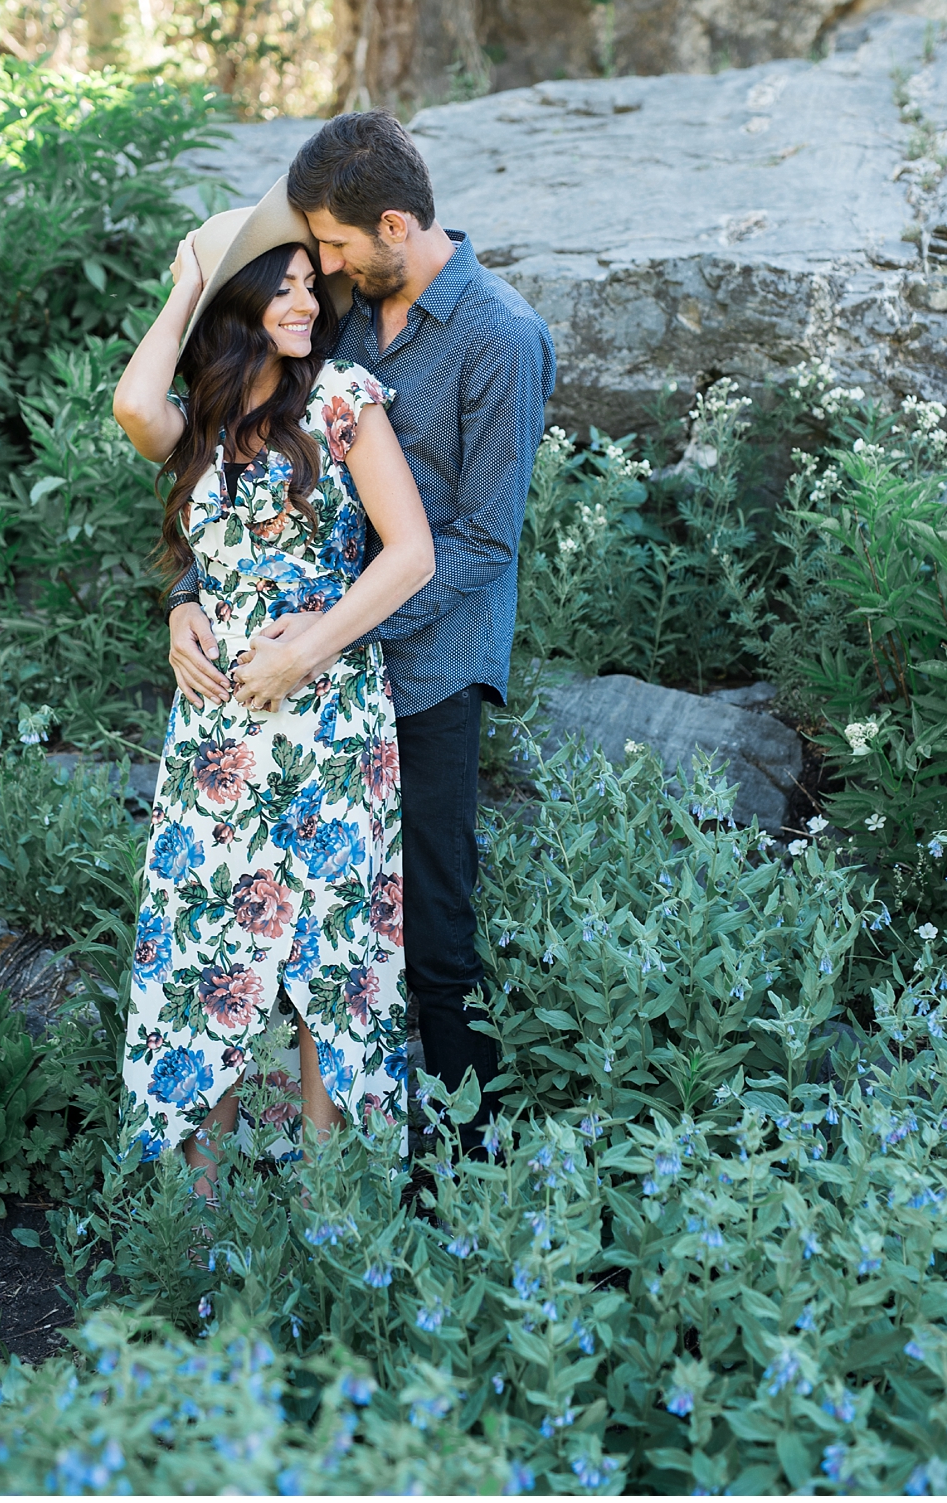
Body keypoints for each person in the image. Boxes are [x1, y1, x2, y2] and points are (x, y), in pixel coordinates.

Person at [168, 113, 557, 1164]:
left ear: (394, 223)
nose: (321, 268)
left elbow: (479, 540)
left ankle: (457, 1186)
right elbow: (245, 464)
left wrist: (333, 631)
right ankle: (324, 1174)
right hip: (305, 691)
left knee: (429, 935)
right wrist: (189, 592)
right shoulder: (342, 313)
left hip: (423, 674)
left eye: (334, 246)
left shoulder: (499, 336)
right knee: (300, 932)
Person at [111, 176, 434, 1200]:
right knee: (204, 959)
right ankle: (199, 1243)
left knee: (331, 967)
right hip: (214, 739)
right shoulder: (201, 428)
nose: (305, 303)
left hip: (330, 720)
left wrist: (312, 645)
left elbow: (411, 553)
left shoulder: (339, 396)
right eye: (282, 288)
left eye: (310, 284)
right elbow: (132, 406)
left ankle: (334, 1227)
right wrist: (188, 284)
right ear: (236, 308)